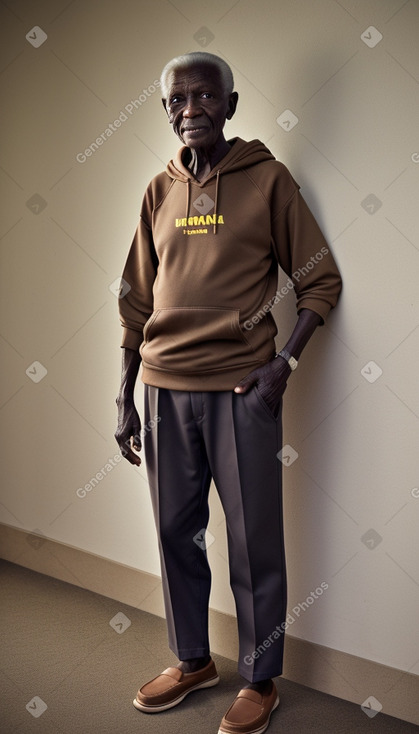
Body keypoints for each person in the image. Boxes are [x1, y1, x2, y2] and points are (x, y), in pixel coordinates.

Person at [115, 51, 342, 734]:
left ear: (230, 104)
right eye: (176, 100)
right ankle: (191, 661)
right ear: (164, 111)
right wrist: (122, 392)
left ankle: (259, 678)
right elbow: (133, 300)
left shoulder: (268, 181)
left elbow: (319, 282)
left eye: (204, 97)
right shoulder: (156, 191)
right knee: (172, 533)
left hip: (242, 390)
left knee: (252, 542)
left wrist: (284, 367)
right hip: (161, 387)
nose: (190, 111)